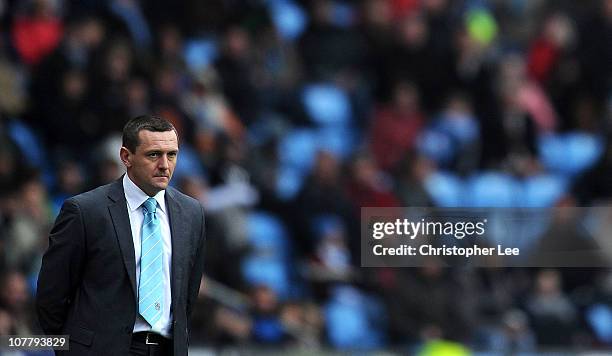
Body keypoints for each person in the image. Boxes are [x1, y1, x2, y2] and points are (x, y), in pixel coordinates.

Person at [36, 115, 206, 356]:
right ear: (126, 156)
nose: (165, 165)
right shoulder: (86, 211)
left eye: (172, 154)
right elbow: (51, 296)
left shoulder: (192, 213)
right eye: (154, 154)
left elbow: (187, 297)